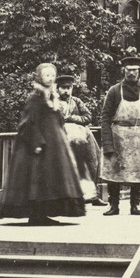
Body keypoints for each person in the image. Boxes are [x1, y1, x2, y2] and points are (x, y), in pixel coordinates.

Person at [0, 62, 88, 224]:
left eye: (52, 75)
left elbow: (57, 121)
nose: (50, 79)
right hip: (38, 148)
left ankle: (43, 214)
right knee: (36, 180)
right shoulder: (35, 97)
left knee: (49, 180)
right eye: (46, 75)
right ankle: (37, 215)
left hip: (54, 147)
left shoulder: (53, 96)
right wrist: (36, 143)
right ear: (39, 77)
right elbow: (27, 123)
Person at [97, 52, 140, 216]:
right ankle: (114, 205)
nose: (131, 73)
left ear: (139, 71)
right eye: (128, 70)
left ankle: (135, 205)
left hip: (138, 136)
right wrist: (107, 143)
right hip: (118, 135)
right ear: (123, 71)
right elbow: (105, 117)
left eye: (135, 70)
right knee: (114, 173)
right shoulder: (114, 91)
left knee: (138, 172)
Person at [57, 70, 106, 206]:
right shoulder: (53, 102)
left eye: (69, 88)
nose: (66, 91)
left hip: (82, 138)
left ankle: (92, 196)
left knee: (91, 161)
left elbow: (88, 117)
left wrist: (71, 118)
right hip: (62, 138)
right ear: (58, 89)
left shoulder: (77, 102)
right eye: (63, 88)